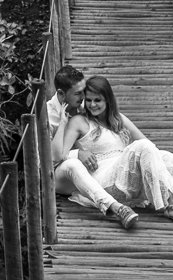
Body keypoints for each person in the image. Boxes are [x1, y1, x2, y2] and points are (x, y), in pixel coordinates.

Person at [54, 75, 173, 225]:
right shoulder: (79, 121)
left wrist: (158, 168)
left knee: (165, 156)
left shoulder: (119, 119)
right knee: (142, 148)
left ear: (108, 100)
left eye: (98, 100)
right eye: (88, 100)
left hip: (125, 179)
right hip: (103, 181)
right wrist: (79, 153)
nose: (92, 105)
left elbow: (149, 145)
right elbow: (60, 155)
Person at [46, 65, 139, 228]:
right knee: (72, 164)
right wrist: (76, 153)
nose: (84, 98)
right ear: (61, 94)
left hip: (86, 174)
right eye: (78, 93)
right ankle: (117, 208)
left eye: (84, 91)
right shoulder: (45, 117)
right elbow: (49, 161)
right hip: (55, 176)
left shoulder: (81, 106)